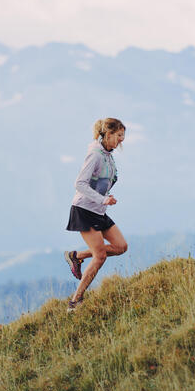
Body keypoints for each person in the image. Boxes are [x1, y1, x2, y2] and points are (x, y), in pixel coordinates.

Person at [63, 118, 128, 312]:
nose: (121, 140)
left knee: (121, 246)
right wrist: (102, 199)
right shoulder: (95, 154)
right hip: (84, 210)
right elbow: (79, 184)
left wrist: (106, 198)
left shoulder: (108, 154)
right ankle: (75, 302)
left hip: (98, 210)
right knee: (100, 257)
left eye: (123, 136)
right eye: (119, 136)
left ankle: (76, 256)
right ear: (108, 134)